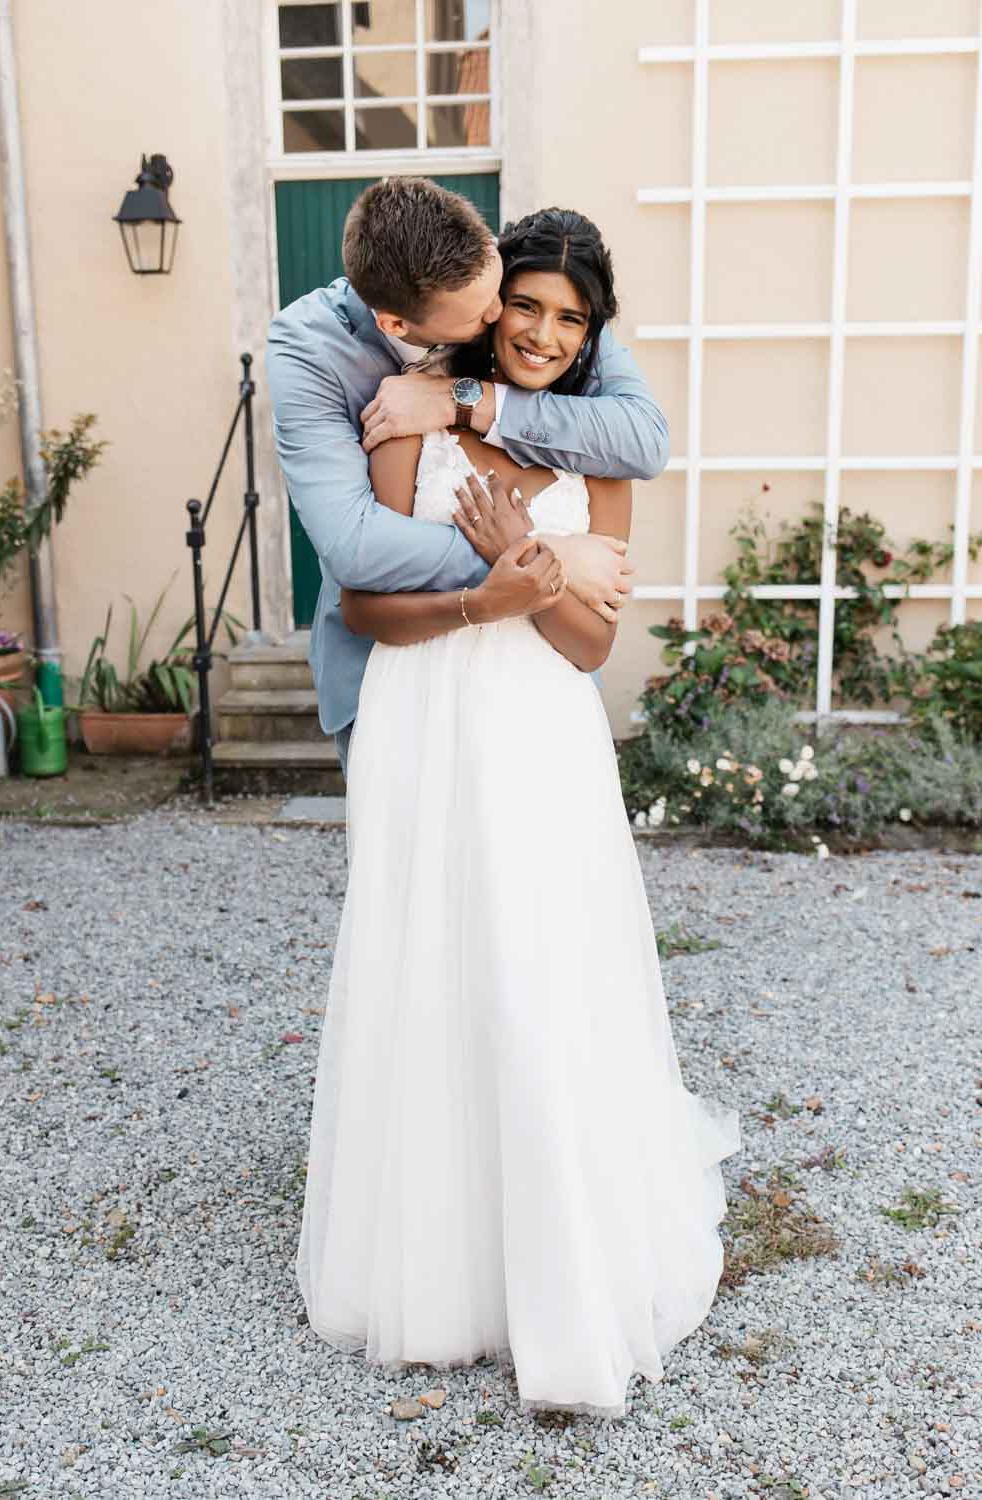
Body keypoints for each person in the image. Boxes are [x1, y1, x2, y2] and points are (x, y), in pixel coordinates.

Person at [293, 205, 742, 1419]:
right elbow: (365, 612)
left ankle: (555, 1249)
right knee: (428, 960)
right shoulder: (407, 413)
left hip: (540, 735)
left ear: (592, 332)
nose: (542, 332)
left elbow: (593, 646)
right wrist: (490, 593)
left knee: (540, 965)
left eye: (569, 317)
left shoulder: (601, 450)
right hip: (422, 720)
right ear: (489, 309)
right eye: (525, 306)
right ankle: (436, 1269)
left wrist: (534, 577)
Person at [264, 176, 670, 778]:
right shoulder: (309, 353)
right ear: (398, 326)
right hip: (393, 682)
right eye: (489, 311)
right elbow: (354, 548)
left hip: (540, 700)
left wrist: (466, 399)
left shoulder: (524, 290)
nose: (505, 316)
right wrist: (544, 556)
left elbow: (645, 440)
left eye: (501, 290)